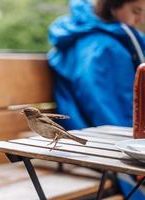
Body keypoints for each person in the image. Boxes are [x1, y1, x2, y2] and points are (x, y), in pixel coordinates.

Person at [47, 0, 145, 198]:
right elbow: (107, 112)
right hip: (93, 137)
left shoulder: (98, 36)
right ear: (114, 6)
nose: (141, 19)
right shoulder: (102, 48)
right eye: (136, 11)